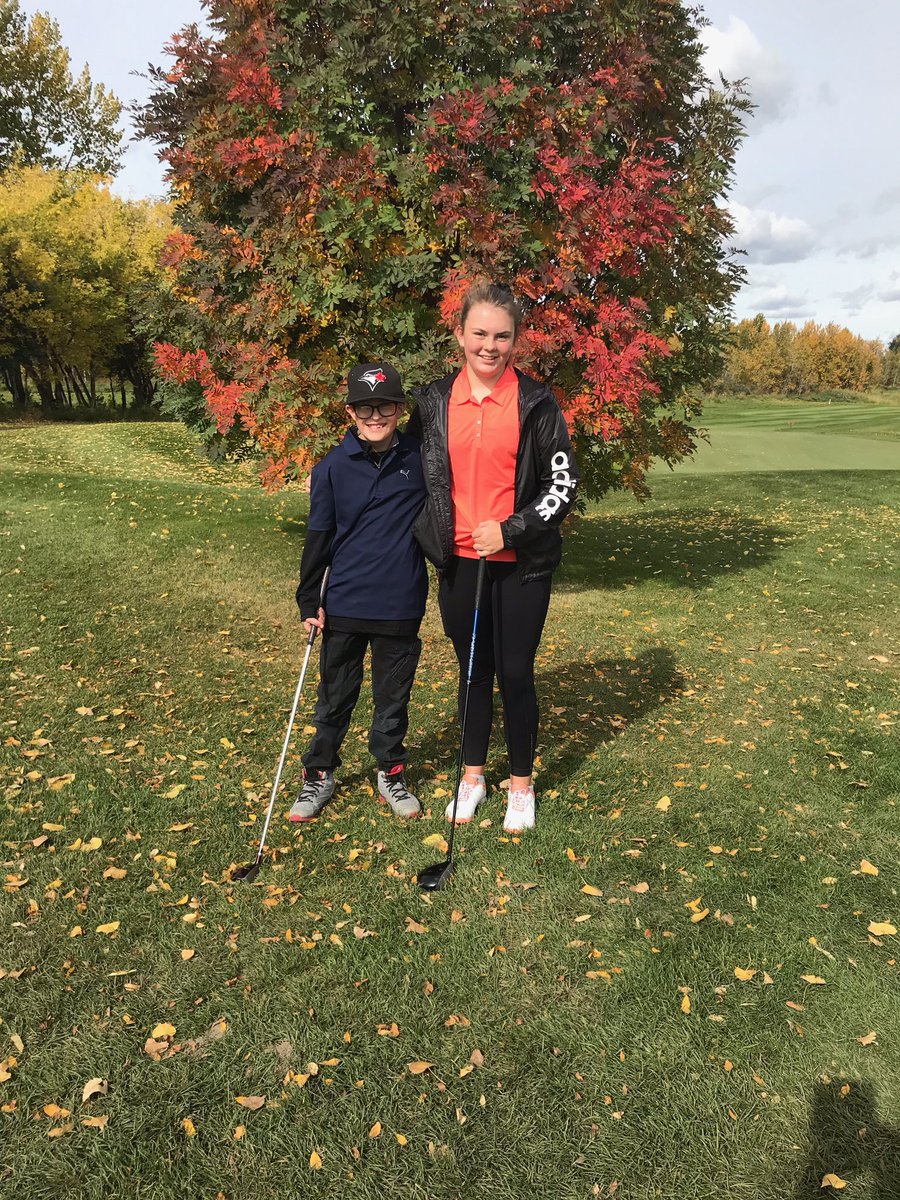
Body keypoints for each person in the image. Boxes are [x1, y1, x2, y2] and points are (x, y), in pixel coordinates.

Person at [408, 282, 579, 832]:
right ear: (458, 334)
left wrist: (509, 529)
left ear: (515, 341)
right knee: (473, 671)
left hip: (520, 563)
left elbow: (561, 485)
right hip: (459, 562)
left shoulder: (536, 402)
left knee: (515, 671)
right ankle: (474, 776)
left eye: (501, 336)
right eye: (479, 333)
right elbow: (410, 472)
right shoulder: (433, 401)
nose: (489, 345)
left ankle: (521, 786)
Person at [290, 363, 428, 821]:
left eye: (384, 405)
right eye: (365, 406)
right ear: (351, 411)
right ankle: (319, 774)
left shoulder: (420, 459)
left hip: (400, 601)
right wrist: (309, 599)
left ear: (399, 409)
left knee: (393, 699)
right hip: (345, 602)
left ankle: (390, 771)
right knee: (335, 697)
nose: (375, 415)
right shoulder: (331, 467)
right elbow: (319, 536)